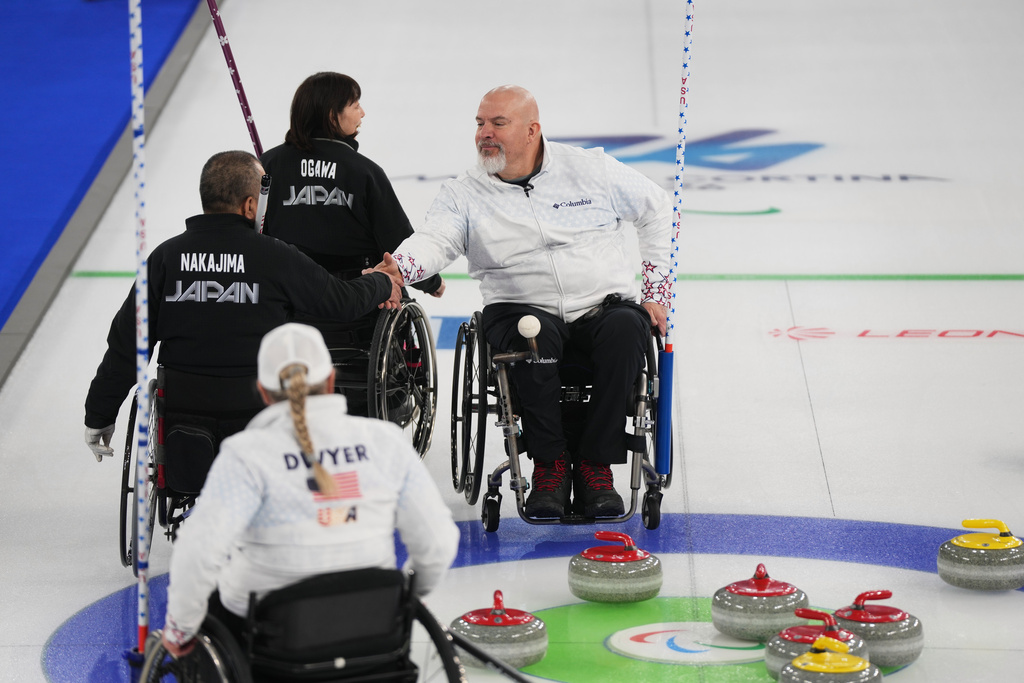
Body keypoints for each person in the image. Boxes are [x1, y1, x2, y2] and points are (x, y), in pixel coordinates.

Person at [379, 85, 672, 520]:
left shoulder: (590, 170)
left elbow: (657, 208)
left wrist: (656, 294)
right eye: (480, 123)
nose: (485, 133)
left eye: (498, 123)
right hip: (519, 307)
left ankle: (595, 467)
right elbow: (435, 240)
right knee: (532, 337)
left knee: (627, 330)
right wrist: (399, 268)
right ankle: (550, 467)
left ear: (532, 130)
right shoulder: (465, 193)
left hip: (601, 306)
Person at [159, 322, 460, 656]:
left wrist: (180, 628)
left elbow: (199, 551)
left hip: (271, 637)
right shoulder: (385, 441)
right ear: (331, 380)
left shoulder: (246, 455)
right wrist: (404, 599)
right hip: (373, 624)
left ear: (262, 390)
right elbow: (438, 543)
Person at [84, 150, 402, 463]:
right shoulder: (276, 257)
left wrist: (100, 412)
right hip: (260, 422)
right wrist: (382, 282)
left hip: (184, 416)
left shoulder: (165, 259)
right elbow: (341, 302)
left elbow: (127, 344)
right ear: (250, 205)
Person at [260, 72, 444, 414]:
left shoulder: (268, 166)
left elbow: (253, 235)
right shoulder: (362, 171)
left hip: (287, 297)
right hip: (356, 296)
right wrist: (431, 280)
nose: (362, 113)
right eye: (355, 104)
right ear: (333, 116)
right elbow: (397, 242)